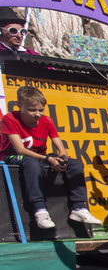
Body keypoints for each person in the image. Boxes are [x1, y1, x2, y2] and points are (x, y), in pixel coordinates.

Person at [0, 85, 100, 230]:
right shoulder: (10, 118)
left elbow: (61, 148)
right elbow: (20, 149)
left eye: (41, 110)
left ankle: (79, 208)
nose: (37, 114)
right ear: (19, 105)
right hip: (13, 156)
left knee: (75, 163)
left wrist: (62, 159)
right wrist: (48, 160)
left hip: (40, 156)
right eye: (32, 110)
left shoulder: (47, 120)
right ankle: (40, 210)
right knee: (32, 163)